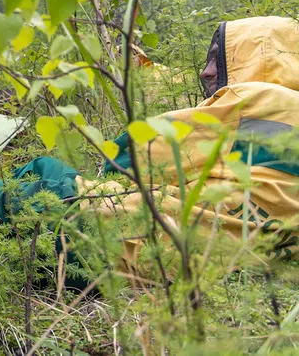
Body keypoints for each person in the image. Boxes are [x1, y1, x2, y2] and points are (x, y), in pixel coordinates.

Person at [85, 15, 299, 260]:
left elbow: (134, 157)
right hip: (216, 260)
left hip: (125, 239)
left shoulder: (260, 100)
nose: (206, 72)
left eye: (219, 58)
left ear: (260, 58)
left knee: (52, 178)